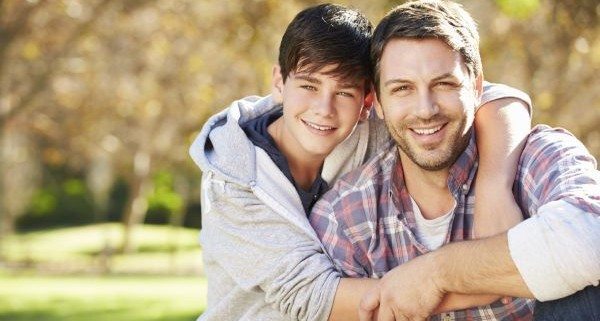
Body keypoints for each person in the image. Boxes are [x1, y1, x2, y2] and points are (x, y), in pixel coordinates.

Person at [190, 3, 533, 321]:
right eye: (309, 85)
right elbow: (313, 296)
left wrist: (493, 184)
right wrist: (479, 281)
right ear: (279, 81)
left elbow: (494, 98)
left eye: (344, 92)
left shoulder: (373, 125)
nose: (324, 108)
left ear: (369, 100)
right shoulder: (232, 179)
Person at [309, 1, 600, 320]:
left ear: (477, 87)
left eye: (444, 84)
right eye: (402, 88)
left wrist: (437, 272)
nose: (425, 109)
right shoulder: (346, 219)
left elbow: (591, 239)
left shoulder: (535, 158)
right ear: (377, 101)